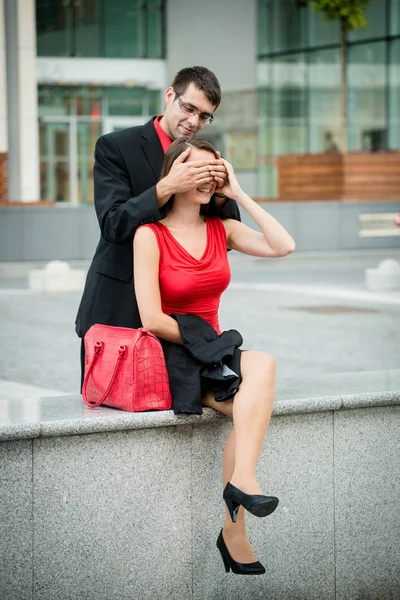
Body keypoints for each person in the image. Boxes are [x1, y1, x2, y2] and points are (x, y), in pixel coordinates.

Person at [133, 137, 296, 575]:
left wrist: (239, 194)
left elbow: (284, 246)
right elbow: (151, 316)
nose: (210, 177)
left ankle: (241, 485)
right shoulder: (149, 235)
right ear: (176, 173)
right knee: (251, 400)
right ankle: (234, 529)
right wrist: (204, 341)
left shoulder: (222, 229)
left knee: (263, 364)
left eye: (216, 170)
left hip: (216, 350)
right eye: (200, 169)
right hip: (177, 351)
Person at [75, 67, 241, 384]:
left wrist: (221, 191)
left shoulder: (203, 154)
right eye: (188, 108)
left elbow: (227, 232)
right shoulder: (115, 146)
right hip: (118, 310)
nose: (193, 122)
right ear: (169, 96)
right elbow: (113, 224)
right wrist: (167, 187)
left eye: (204, 116)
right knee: (108, 415)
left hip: (179, 324)